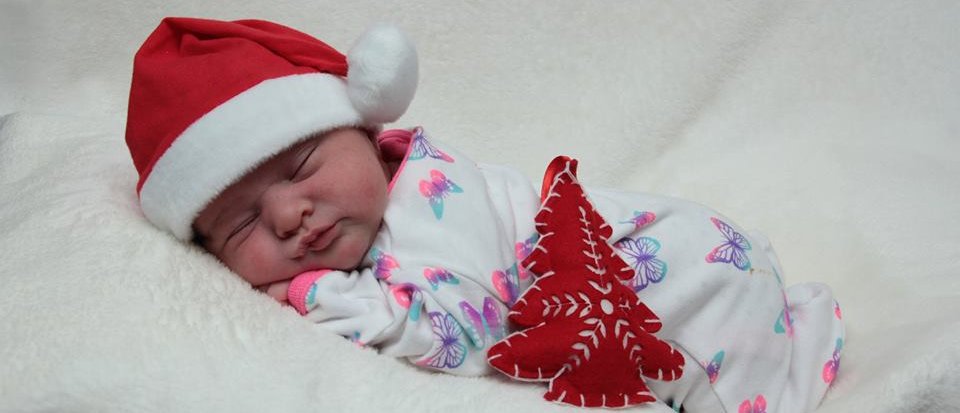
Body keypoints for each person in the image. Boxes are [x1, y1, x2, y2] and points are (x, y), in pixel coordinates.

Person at [124, 17, 844, 413]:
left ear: (369, 136)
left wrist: (324, 296)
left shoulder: (432, 198)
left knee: (715, 379)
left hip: (692, 270)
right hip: (674, 262)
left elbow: (468, 332)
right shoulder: (370, 216)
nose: (289, 215)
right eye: (243, 224)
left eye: (302, 166)